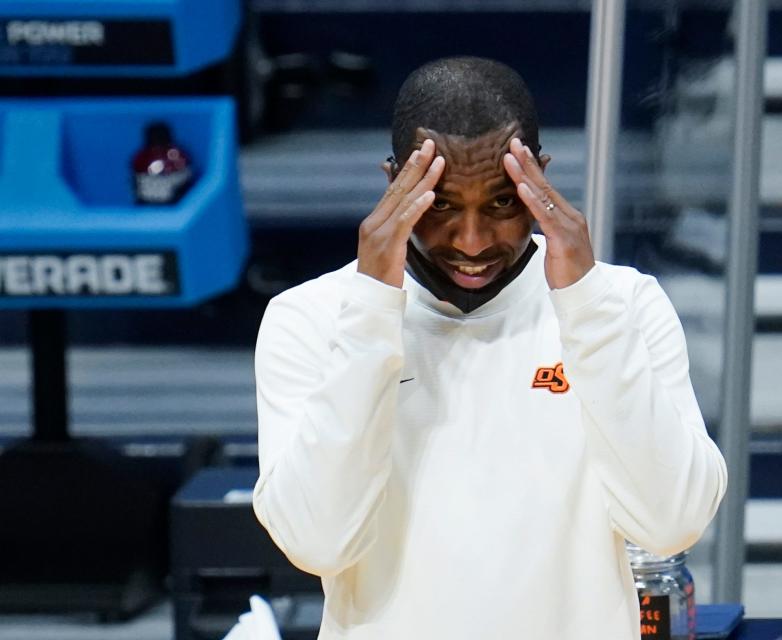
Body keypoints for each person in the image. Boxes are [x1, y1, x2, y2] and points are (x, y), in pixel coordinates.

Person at [252, 56, 727, 640]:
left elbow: (670, 523)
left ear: (540, 179)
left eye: (502, 203)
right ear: (393, 182)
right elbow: (317, 542)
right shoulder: (310, 318)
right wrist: (372, 309)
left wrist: (585, 304)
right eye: (441, 205)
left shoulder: (622, 304)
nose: (472, 241)